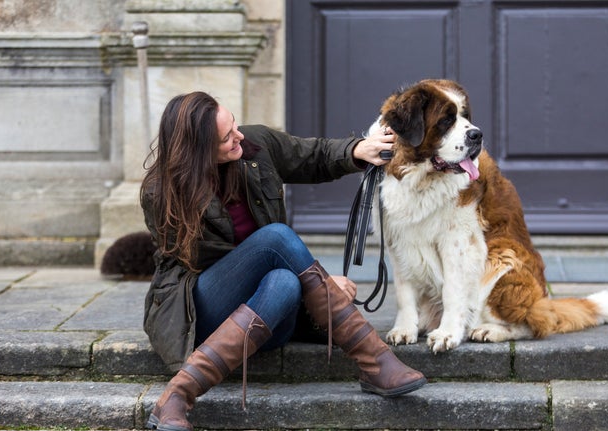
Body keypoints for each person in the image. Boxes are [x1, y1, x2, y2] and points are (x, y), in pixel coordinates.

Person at [140, 91, 426, 431]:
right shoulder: (162, 192)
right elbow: (204, 262)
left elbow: (312, 155)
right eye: (227, 137)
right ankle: (375, 361)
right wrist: (323, 283)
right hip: (201, 311)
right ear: (198, 151)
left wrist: (356, 149)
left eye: (234, 125)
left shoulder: (254, 147)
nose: (239, 137)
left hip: (266, 317)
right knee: (277, 238)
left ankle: (173, 399)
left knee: (286, 282)